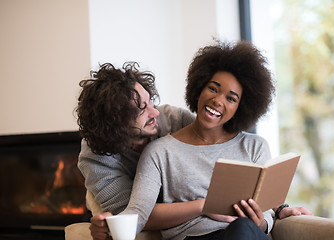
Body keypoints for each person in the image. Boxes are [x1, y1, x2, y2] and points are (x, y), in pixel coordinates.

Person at [109, 41, 312, 240]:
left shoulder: (255, 147)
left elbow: (265, 213)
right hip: (194, 237)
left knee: (242, 228)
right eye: (213, 89)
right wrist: (107, 225)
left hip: (246, 234)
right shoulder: (159, 152)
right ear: (199, 89)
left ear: (240, 108)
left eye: (231, 99)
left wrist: (261, 222)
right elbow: (140, 213)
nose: (218, 101)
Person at [76, 62, 212, 240]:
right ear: (114, 123)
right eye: (140, 110)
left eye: (150, 101)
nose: (154, 112)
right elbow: (132, 219)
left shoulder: (174, 121)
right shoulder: (95, 157)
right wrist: (204, 206)